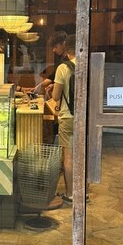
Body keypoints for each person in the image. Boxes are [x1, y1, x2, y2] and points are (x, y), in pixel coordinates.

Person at [48, 32, 75, 206]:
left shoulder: (63, 68)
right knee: (82, 155)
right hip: (84, 117)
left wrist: (53, 88)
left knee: (69, 157)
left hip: (68, 117)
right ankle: (83, 192)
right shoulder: (86, 65)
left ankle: (71, 194)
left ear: (67, 47)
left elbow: (56, 97)